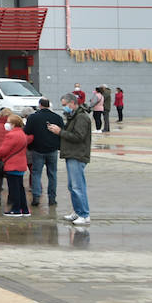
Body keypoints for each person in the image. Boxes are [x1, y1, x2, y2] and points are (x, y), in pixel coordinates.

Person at [48, 93, 92, 226]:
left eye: (65, 105)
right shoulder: (74, 116)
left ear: (73, 103)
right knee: (72, 186)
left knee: (78, 186)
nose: (64, 108)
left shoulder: (81, 117)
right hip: (72, 154)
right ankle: (78, 211)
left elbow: (79, 136)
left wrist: (60, 132)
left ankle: (84, 214)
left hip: (77, 155)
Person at [24, 98, 61, 208]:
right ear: (49, 105)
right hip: (52, 149)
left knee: (36, 173)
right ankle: (52, 198)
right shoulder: (57, 117)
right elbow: (60, 132)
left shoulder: (33, 117)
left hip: (37, 149)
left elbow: (27, 132)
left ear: (39, 105)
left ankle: (36, 197)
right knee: (52, 174)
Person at [0, 113, 32, 216]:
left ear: (14, 124)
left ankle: (16, 210)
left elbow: (4, 149)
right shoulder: (22, 133)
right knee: (20, 188)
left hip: (12, 165)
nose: (6, 124)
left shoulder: (11, 135)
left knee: (14, 189)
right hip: (20, 164)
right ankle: (24, 209)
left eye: (8, 122)